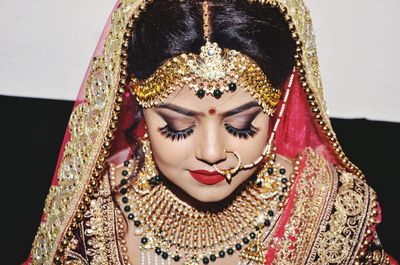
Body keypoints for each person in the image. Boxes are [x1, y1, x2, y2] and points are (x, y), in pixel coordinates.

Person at [24, 0, 398, 264]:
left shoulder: (327, 207)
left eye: (242, 125)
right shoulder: (95, 212)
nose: (212, 152)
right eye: (177, 127)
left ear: (279, 106)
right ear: (137, 107)